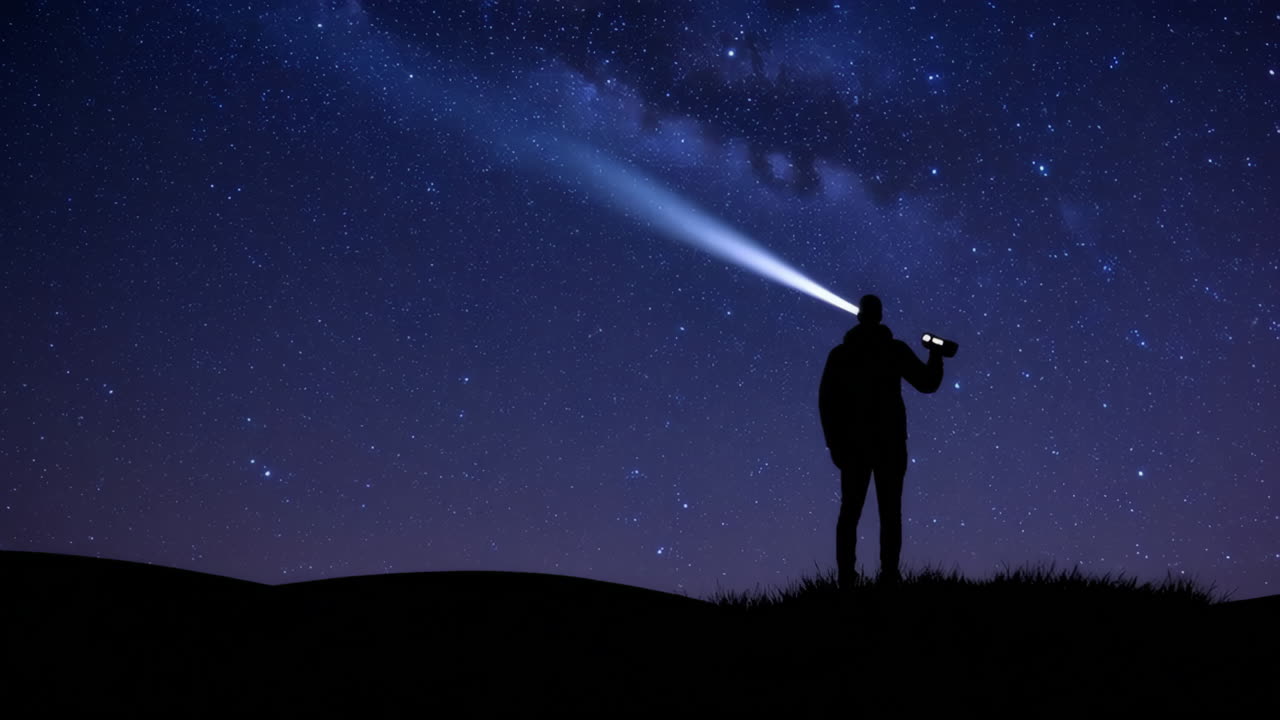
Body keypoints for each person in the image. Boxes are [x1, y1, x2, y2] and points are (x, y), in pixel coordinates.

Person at [819, 294, 943, 589]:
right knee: (890, 512)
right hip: (889, 442)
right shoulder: (893, 350)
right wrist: (936, 354)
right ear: (880, 316)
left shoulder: (841, 354)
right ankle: (888, 575)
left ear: (860, 316)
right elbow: (927, 383)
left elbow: (827, 402)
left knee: (850, 511)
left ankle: (847, 579)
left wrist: (834, 443)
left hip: (853, 443)